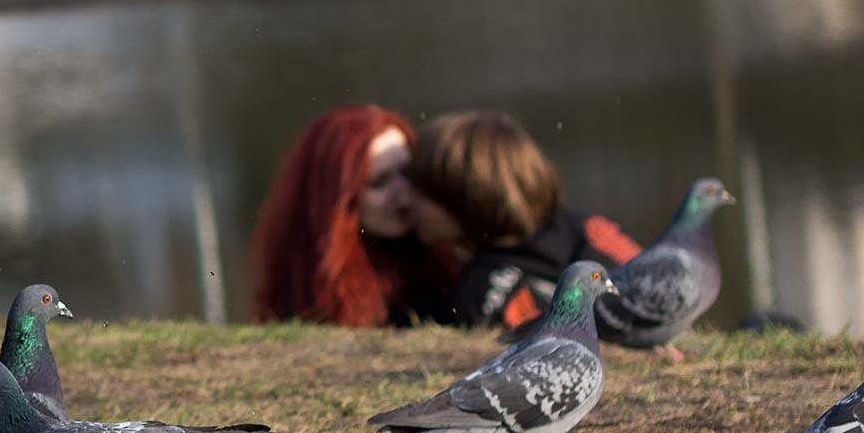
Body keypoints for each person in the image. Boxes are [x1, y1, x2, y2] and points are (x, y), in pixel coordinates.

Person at [406, 110, 640, 330]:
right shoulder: (584, 225)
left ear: (465, 197)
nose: (407, 201)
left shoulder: (482, 288)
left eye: (422, 191)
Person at [251, 105, 457, 328]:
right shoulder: (312, 291)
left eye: (408, 173)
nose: (404, 194)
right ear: (337, 199)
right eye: (380, 182)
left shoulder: (447, 256)